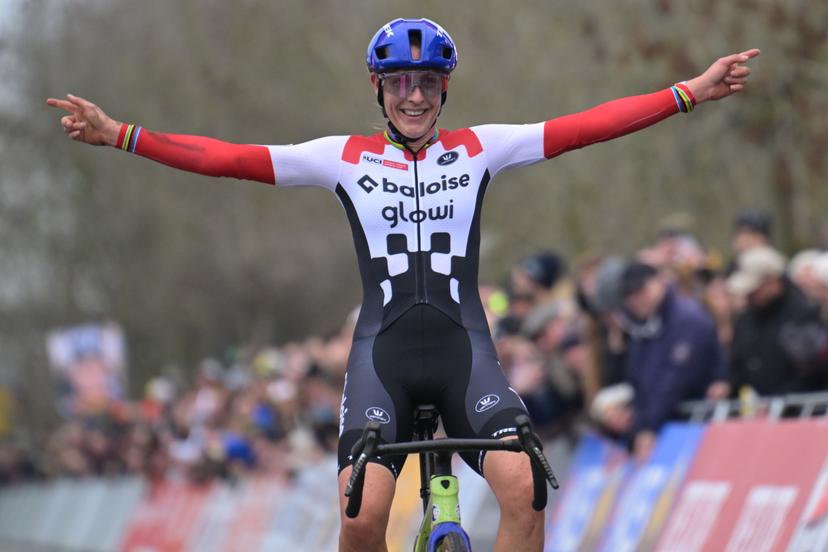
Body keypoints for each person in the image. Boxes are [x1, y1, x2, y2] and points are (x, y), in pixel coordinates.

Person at [48, 17, 759, 552]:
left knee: (526, 489)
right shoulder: (342, 159)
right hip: (382, 359)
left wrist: (688, 93)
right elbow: (229, 157)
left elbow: (584, 127)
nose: (413, 96)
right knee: (361, 520)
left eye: (426, 82)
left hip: (463, 352)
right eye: (399, 82)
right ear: (378, 89)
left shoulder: (480, 149)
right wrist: (123, 135)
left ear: (444, 87)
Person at [603, 262, 729, 462]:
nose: (636, 300)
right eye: (629, 296)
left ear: (659, 282)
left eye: (641, 291)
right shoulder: (642, 327)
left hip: (694, 429)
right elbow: (638, 379)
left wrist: (648, 427)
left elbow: (675, 379)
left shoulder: (688, 320)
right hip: (668, 428)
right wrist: (636, 423)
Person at [728, 246, 828, 396]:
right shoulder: (745, 319)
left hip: (799, 412)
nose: (750, 295)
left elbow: (814, 372)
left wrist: (780, 399)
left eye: (755, 289)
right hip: (753, 413)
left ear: (773, 281)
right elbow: (737, 366)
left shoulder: (801, 316)